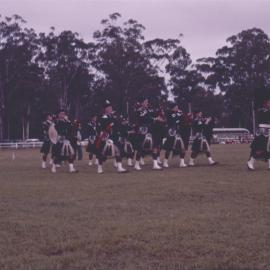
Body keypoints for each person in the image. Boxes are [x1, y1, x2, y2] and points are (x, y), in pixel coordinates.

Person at [95, 100, 128, 174]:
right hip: (105, 137)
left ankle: (119, 167)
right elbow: (100, 128)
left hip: (114, 137)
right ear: (106, 109)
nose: (111, 109)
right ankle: (99, 168)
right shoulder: (102, 117)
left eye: (111, 108)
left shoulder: (113, 117)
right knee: (102, 153)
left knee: (118, 151)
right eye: (109, 108)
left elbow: (117, 126)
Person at [247, 98, 270, 170]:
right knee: (260, 148)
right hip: (263, 131)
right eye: (268, 102)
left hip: (266, 130)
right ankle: (250, 161)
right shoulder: (263, 111)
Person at [163, 102, 188, 168]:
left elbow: (183, 120)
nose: (177, 108)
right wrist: (178, 117)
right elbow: (173, 120)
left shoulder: (178, 113)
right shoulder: (169, 113)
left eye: (177, 107)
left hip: (178, 131)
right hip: (171, 131)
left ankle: (182, 162)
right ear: (173, 108)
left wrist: (181, 115)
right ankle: (165, 162)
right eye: (176, 107)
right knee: (169, 147)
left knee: (182, 147)